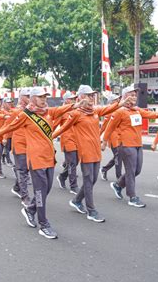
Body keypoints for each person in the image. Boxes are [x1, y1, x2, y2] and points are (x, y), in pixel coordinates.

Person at [0, 87, 81, 239]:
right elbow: (10, 126)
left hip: (49, 157)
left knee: (47, 188)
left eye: (45, 97)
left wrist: (74, 105)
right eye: (40, 97)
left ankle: (30, 209)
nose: (43, 99)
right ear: (32, 99)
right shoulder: (26, 115)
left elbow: (61, 109)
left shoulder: (49, 112)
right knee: (39, 191)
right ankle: (43, 224)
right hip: (36, 159)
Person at [53, 85, 127, 223]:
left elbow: (108, 109)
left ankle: (76, 200)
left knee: (92, 180)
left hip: (96, 151)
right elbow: (63, 128)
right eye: (88, 95)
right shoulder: (75, 114)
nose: (92, 98)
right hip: (85, 152)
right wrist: (48, 136)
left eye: (93, 95)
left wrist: (121, 103)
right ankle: (91, 210)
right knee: (88, 180)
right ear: (81, 97)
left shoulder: (95, 111)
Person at [104, 85, 158, 208]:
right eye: (131, 95)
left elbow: (149, 114)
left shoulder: (137, 110)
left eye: (135, 95)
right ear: (124, 97)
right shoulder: (119, 111)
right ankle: (132, 197)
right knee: (130, 171)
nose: (134, 97)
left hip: (138, 144)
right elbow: (110, 127)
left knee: (137, 170)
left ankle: (118, 185)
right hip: (126, 145)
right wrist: (104, 141)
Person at [55, 91, 80, 194]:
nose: (73, 99)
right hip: (67, 140)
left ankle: (62, 176)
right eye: (71, 98)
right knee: (72, 163)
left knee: (76, 161)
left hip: (77, 140)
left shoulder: (77, 110)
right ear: (66, 100)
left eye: (74, 98)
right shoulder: (61, 111)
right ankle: (73, 186)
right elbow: (54, 125)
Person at [100, 94, 122, 181]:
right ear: (112, 101)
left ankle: (104, 169)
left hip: (120, 137)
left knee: (119, 156)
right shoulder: (109, 111)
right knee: (118, 157)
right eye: (116, 100)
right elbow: (104, 126)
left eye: (118, 99)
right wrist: (99, 137)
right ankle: (119, 177)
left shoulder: (120, 109)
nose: (118, 101)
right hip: (113, 137)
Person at [1, 97, 15, 166]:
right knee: (6, 147)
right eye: (8, 103)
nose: (10, 104)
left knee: (9, 148)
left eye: (10, 102)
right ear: (4, 103)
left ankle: (3, 156)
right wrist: (4, 137)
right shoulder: (2, 112)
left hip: (12, 133)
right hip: (5, 133)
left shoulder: (12, 111)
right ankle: (8, 161)